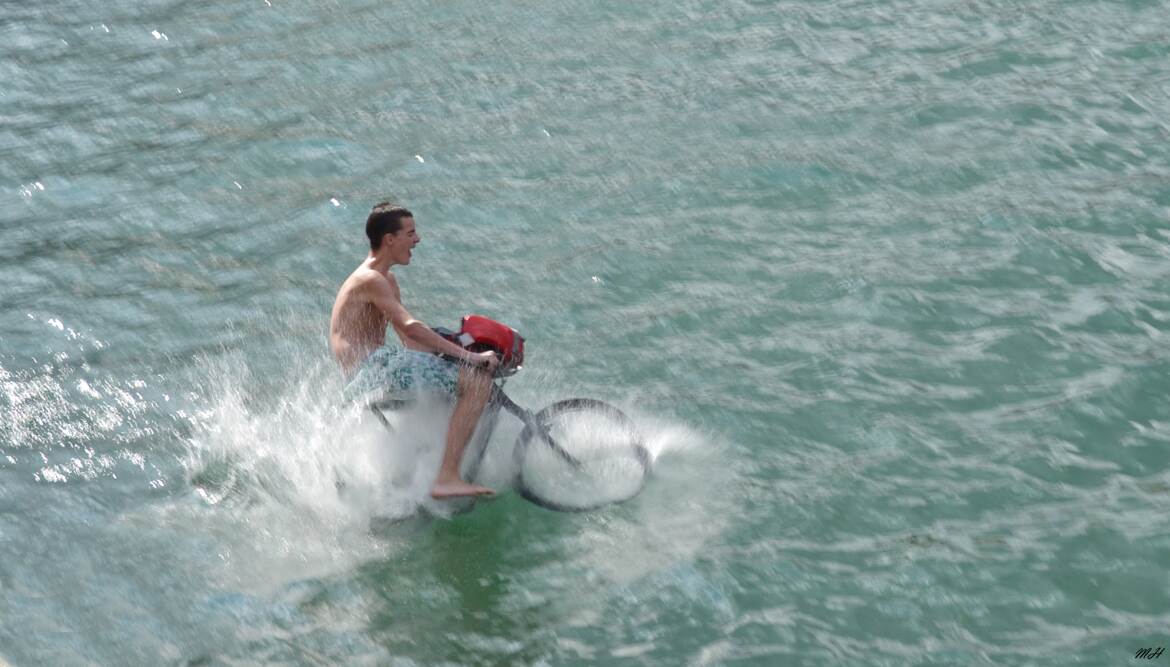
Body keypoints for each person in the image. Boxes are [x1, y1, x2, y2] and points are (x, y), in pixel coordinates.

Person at [330, 202, 499, 499]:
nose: (417, 239)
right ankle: (446, 477)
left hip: (378, 368)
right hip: (372, 371)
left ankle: (434, 465)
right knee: (477, 382)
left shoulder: (386, 280)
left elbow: (411, 342)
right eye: (411, 233)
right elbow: (410, 327)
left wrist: (450, 351)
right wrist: (470, 357)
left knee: (457, 378)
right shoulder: (370, 279)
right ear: (389, 240)